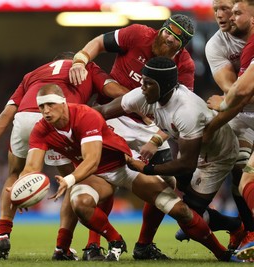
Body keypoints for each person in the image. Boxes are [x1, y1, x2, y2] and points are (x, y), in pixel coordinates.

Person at [19, 82, 236, 262]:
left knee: (180, 210)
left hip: (123, 166)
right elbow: (31, 167)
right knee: (80, 204)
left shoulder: (85, 115)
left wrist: (69, 178)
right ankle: (116, 240)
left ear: (63, 103)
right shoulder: (40, 129)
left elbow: (92, 159)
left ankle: (222, 253)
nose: (46, 111)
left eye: (50, 105)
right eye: (41, 107)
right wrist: (20, 189)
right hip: (95, 177)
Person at [0, 52, 126, 260]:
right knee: (74, 181)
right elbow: (112, 89)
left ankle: (3, 233)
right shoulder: (84, 66)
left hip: (24, 117)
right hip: (58, 120)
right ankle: (62, 247)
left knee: (15, 173)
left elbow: (6, 113)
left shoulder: (33, 74)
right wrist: (139, 99)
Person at [68, 14, 198, 260]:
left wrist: (157, 139)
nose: (169, 37)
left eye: (176, 38)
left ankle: (144, 245)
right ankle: (93, 246)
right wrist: (79, 60)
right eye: (168, 31)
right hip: (111, 114)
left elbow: (181, 112)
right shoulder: (139, 34)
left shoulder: (185, 66)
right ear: (162, 29)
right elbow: (98, 42)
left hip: (149, 125)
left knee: (168, 183)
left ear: (182, 46)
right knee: (103, 181)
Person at [202, 0, 254, 249]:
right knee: (240, 168)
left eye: (228, 9)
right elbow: (232, 91)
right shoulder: (216, 45)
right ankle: (247, 231)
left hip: (236, 104)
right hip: (242, 115)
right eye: (216, 10)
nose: (221, 16)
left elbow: (238, 92)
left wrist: (223, 107)